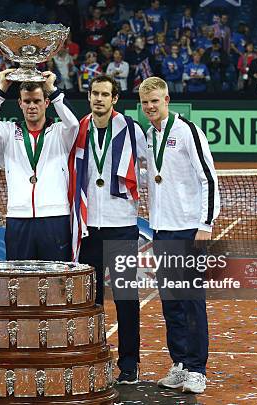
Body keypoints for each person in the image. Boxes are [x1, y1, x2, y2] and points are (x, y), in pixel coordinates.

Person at [138, 76, 220, 395]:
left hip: (188, 229)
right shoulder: (148, 135)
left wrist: (206, 224)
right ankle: (181, 364)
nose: (150, 107)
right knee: (171, 302)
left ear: (167, 99)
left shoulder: (187, 131)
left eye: (155, 101)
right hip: (162, 230)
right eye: (145, 103)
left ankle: (198, 369)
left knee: (191, 300)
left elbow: (209, 179)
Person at [69, 74, 146, 384]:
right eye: (94, 93)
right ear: (89, 97)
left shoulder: (131, 130)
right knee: (90, 301)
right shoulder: (79, 129)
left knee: (126, 299)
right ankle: (93, 358)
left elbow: (151, 163)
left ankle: (129, 363)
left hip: (122, 226)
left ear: (115, 99)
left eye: (105, 94)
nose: (99, 98)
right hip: (89, 229)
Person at [0, 70, 78, 260]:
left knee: (56, 282)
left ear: (46, 103)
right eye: (27, 101)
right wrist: (2, 88)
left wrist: (52, 89)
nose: (32, 106)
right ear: (20, 103)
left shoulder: (59, 133)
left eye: (37, 101)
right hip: (18, 217)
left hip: (55, 217)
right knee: (20, 280)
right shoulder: (8, 132)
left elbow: (73, 124)